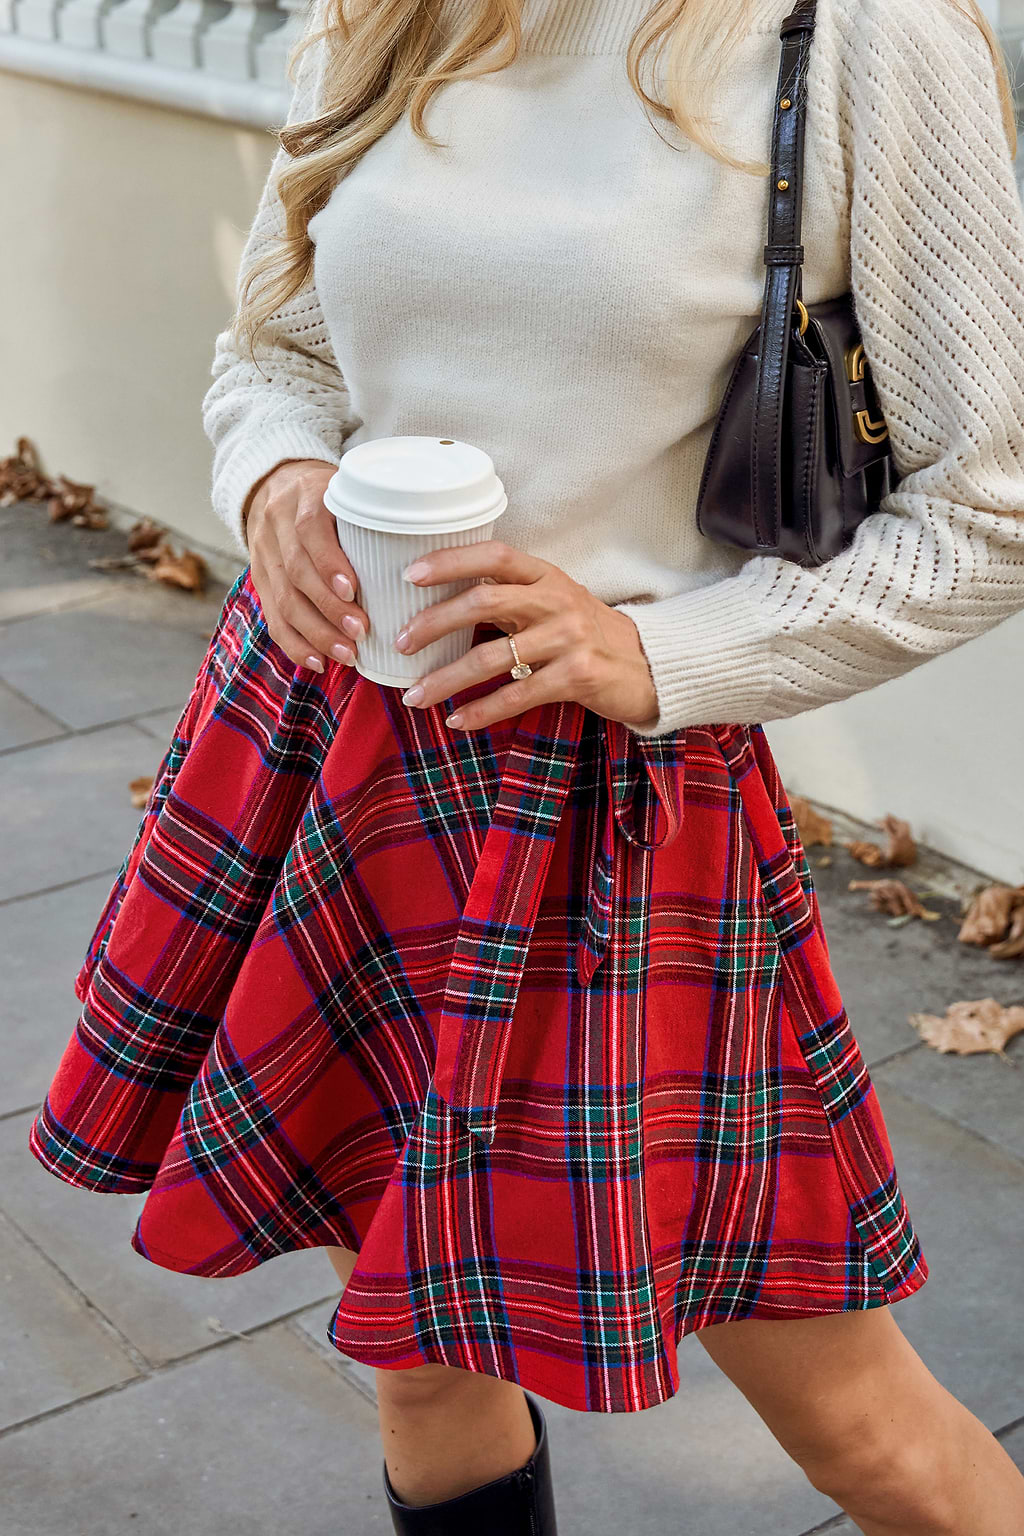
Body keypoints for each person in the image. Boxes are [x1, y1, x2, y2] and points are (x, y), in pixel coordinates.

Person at [29, 0, 1024, 1529]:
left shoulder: (868, 34)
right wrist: (279, 473)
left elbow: (991, 508)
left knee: (851, 1421)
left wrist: (661, 658)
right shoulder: (386, 7)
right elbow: (277, 352)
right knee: (419, 1355)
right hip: (331, 749)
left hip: (617, 809)